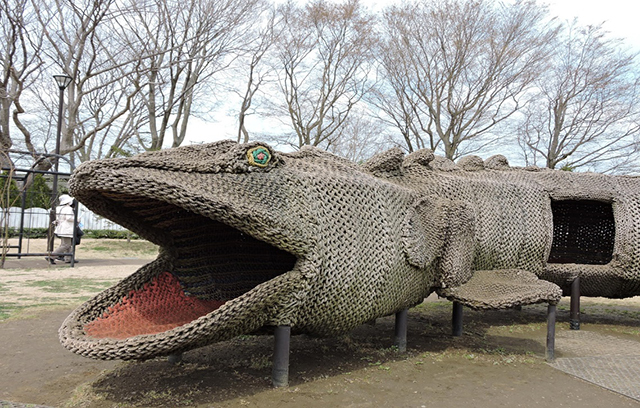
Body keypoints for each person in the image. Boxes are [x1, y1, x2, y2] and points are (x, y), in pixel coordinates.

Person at [46, 194, 76, 264]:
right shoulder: (68, 208)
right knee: (66, 245)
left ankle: (68, 258)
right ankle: (52, 256)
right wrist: (76, 219)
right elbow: (68, 218)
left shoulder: (58, 208)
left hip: (60, 227)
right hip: (67, 228)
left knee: (66, 243)